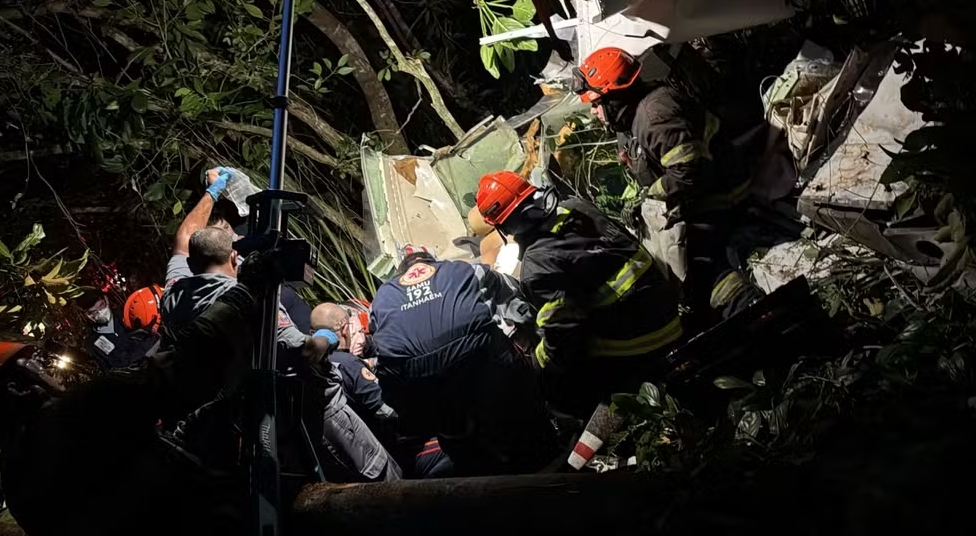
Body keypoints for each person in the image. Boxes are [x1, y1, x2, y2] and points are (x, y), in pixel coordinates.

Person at [1, 260, 280, 536]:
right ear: (18, 386)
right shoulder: (74, 413)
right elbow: (183, 366)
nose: (44, 366)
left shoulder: (15, 483)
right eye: (34, 360)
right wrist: (244, 293)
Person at [160, 167, 401, 482]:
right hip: (313, 415)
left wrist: (214, 190)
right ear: (234, 258)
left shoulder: (175, 293)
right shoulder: (249, 301)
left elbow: (184, 239)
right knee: (379, 480)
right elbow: (305, 353)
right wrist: (328, 335)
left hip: (257, 423)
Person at [571, 46, 764, 329]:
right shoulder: (630, 122)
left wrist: (652, 197)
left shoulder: (654, 115)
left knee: (697, 264)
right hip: (696, 195)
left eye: (597, 102)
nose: (594, 110)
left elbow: (690, 171)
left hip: (722, 193)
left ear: (615, 97)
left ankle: (753, 310)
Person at [476, 171, 683, 418]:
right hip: (668, 309)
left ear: (504, 226)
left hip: (639, 343)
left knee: (558, 385)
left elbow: (565, 340)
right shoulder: (576, 206)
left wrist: (539, 363)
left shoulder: (537, 265)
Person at [369, 246, 560, 476]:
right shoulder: (462, 268)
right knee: (514, 383)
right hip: (476, 354)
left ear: (401, 273)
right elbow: (509, 290)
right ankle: (545, 444)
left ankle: (473, 468)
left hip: (417, 376)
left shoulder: (382, 296)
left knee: (447, 425)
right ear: (432, 262)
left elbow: (380, 342)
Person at [310, 302, 453, 478]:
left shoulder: (321, 366)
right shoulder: (350, 365)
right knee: (456, 447)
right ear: (346, 329)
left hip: (358, 456)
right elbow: (389, 409)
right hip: (395, 449)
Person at [76, 290, 158, 370]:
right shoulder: (92, 343)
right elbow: (110, 367)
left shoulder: (128, 313)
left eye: (101, 305)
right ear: (87, 315)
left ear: (106, 299)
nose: (100, 312)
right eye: (93, 312)